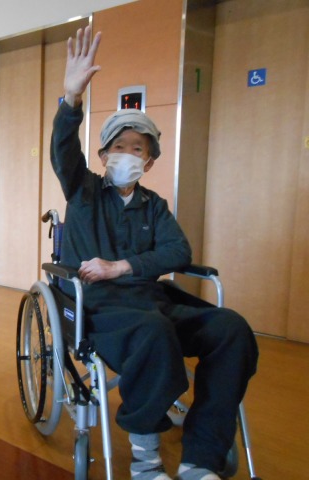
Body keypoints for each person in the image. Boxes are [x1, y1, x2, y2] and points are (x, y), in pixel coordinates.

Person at [51, 26, 258, 480]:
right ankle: (146, 460)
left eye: (137, 149)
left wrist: (122, 266)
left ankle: (201, 456)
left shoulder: (154, 205)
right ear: (103, 155)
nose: (127, 155)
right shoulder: (84, 191)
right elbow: (63, 150)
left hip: (153, 301)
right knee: (154, 331)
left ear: (149, 161)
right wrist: (72, 98)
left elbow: (178, 250)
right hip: (102, 310)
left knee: (231, 329)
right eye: (118, 147)